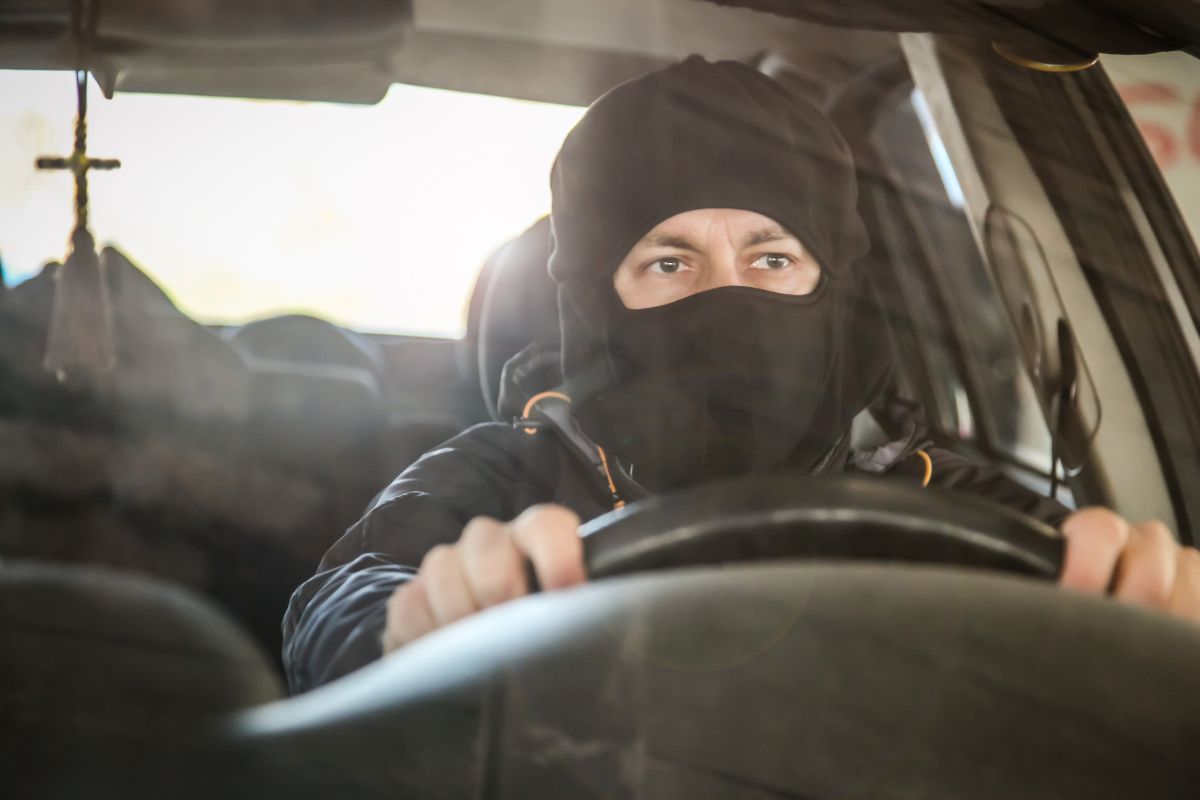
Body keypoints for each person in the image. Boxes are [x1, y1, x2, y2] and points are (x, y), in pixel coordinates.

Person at [282, 56, 1200, 694]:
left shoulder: (934, 494)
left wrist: (1153, 608)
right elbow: (338, 596)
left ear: (832, 286)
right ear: (594, 303)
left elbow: (1092, 576)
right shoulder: (506, 469)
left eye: (771, 260)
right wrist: (415, 625)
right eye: (668, 263)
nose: (729, 303)